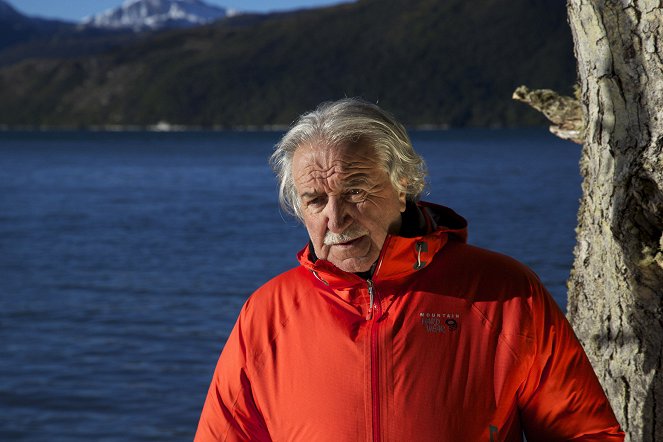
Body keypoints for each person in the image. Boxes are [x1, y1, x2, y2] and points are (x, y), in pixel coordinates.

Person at [195, 98, 624, 441]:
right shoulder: (268, 314)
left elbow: (585, 433)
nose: (335, 217)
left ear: (403, 186)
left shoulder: (502, 293)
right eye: (314, 200)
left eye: (356, 191)